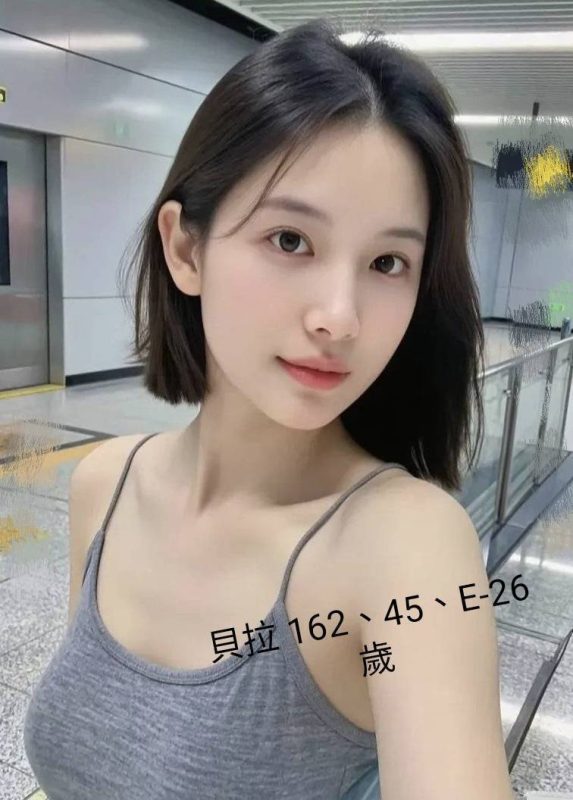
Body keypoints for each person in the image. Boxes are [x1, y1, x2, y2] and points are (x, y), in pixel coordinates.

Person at [23, 17, 515, 800]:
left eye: (387, 262)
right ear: (185, 249)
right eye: (290, 240)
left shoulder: (402, 547)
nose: (339, 317)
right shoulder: (104, 485)